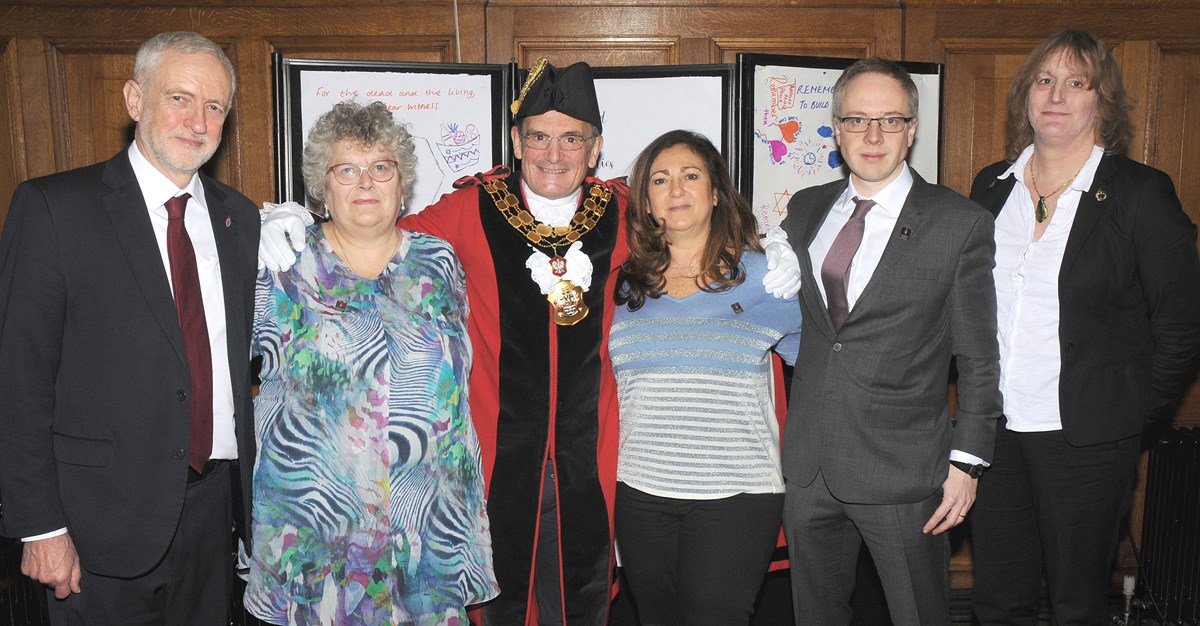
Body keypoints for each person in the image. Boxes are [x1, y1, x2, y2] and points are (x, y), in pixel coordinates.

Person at [257, 59, 802, 625]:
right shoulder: (467, 209)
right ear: (517, 142)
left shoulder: (627, 215)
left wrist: (774, 246)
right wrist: (290, 216)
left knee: (584, 605)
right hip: (494, 462)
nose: (553, 154)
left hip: (598, 465)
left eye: (572, 139)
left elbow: (696, 233)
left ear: (595, 151)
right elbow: (372, 231)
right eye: (538, 137)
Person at [0, 31, 259, 624]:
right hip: (94, 531)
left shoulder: (238, 219)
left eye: (214, 107)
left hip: (213, 522)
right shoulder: (53, 209)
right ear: (134, 99)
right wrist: (40, 526)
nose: (197, 121)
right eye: (179, 98)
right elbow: (17, 381)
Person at [968, 29, 1200, 626]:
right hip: (995, 433)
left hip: (1087, 438)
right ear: (1025, 96)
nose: (1057, 95)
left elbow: (1182, 322)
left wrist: (1127, 413)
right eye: (1044, 81)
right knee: (997, 598)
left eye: (1077, 83)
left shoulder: (1140, 194)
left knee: (1077, 603)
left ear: (1103, 101)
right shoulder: (992, 189)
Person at [243, 100, 498, 624]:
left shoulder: (438, 262)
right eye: (347, 169)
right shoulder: (282, 262)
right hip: (314, 530)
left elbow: (456, 388)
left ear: (400, 185)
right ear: (322, 185)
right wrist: (258, 222)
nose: (366, 182)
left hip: (425, 531)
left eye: (381, 167)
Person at [780, 57, 1002, 626]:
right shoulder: (804, 211)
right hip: (809, 468)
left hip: (904, 472)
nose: (872, 136)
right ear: (835, 127)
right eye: (856, 120)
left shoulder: (960, 224)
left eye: (890, 120)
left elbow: (978, 356)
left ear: (912, 129)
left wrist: (968, 463)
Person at [608, 129, 801, 625]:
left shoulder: (766, 278)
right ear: (646, 202)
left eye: (691, 176)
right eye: (660, 180)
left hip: (736, 497)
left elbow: (823, 371)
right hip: (641, 494)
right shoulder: (623, 286)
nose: (676, 190)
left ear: (715, 193)